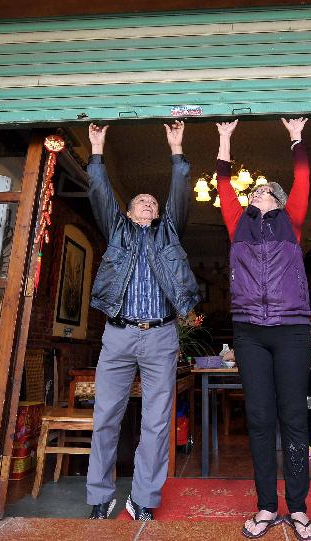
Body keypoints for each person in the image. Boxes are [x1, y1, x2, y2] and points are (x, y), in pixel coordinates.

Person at [85, 121, 201, 521]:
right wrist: (96, 150)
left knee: (157, 421)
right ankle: (100, 496)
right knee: (106, 418)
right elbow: (100, 192)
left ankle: (143, 498)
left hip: (161, 335)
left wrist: (176, 149)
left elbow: (180, 193)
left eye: (154, 202)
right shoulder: (117, 230)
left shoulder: (169, 232)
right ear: (128, 211)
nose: (149, 204)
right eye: (142, 201)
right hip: (118, 335)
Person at [215, 118, 311, 541]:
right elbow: (223, 183)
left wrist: (296, 138)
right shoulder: (237, 223)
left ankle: (298, 507)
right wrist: (224, 138)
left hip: (291, 329)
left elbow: (303, 177)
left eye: (264, 190)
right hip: (249, 332)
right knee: (259, 419)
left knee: (293, 417)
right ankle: (265, 505)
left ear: (278, 198)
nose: (257, 192)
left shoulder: (292, 220)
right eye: (253, 190)